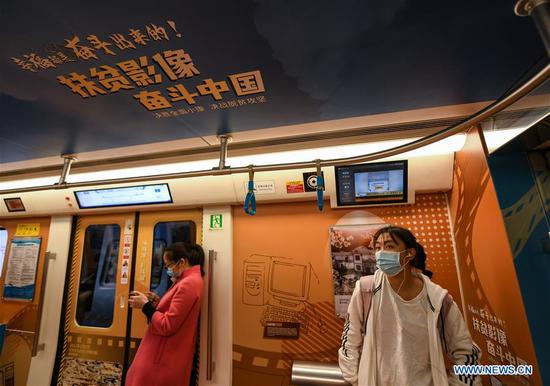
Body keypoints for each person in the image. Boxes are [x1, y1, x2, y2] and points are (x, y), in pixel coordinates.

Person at [339, 225, 480, 386]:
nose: (381, 253)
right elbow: (350, 338)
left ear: (409, 253)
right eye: (377, 248)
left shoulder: (438, 299)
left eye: (390, 246)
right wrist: (355, 379)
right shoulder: (366, 289)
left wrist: (458, 384)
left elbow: (465, 350)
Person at [126, 242, 205, 386]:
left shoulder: (188, 283)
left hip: (162, 359)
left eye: (168, 265)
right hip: (164, 356)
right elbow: (176, 313)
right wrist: (158, 303)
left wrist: (146, 306)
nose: (167, 270)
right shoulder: (188, 280)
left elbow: (167, 325)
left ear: (181, 262)